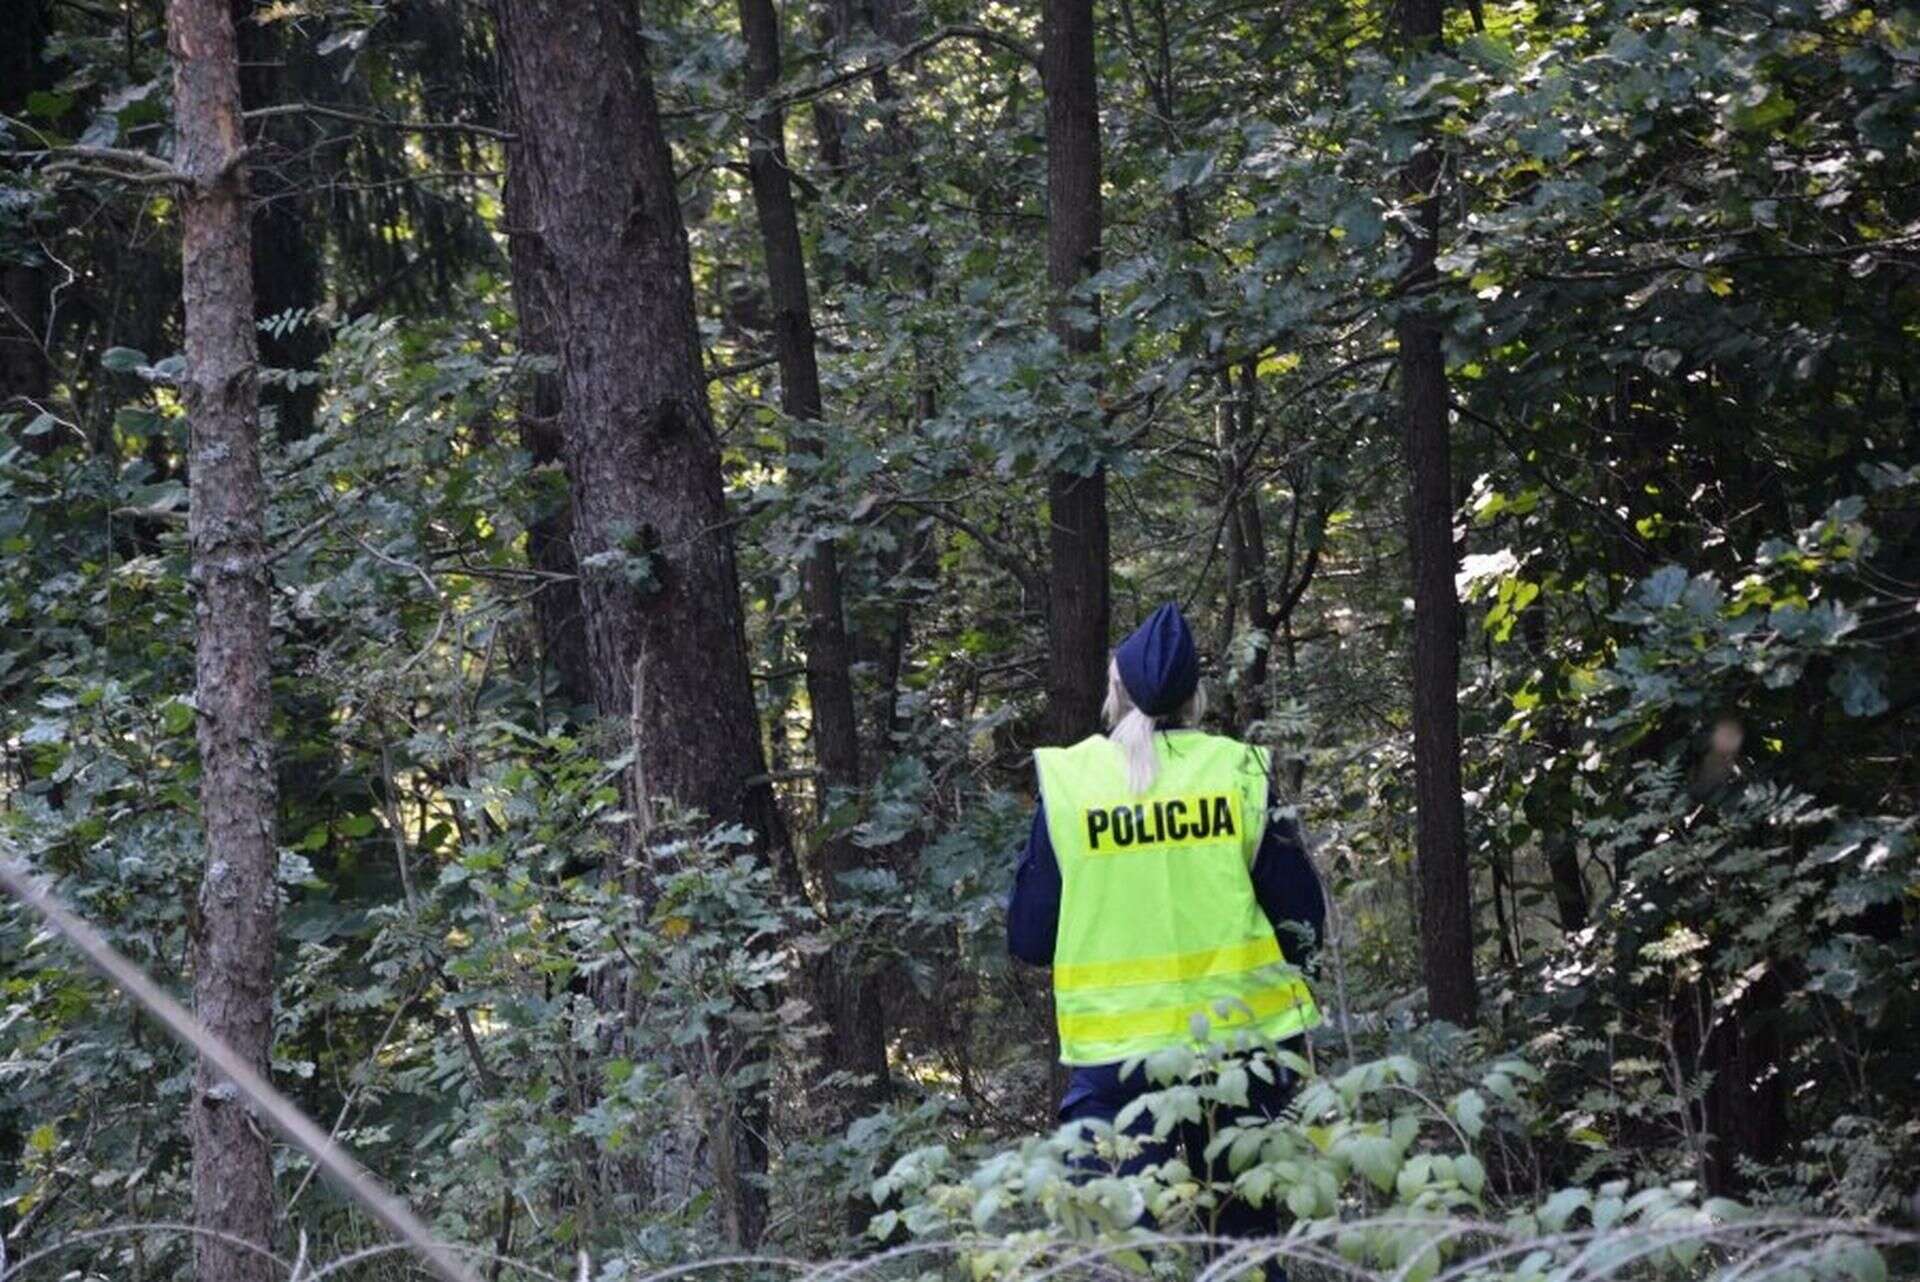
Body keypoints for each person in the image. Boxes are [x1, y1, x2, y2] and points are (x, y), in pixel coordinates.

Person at [1007, 602, 1326, 1268]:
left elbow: (1032, 937)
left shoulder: (1072, 783)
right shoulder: (1239, 771)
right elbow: (1303, 924)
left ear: (1114, 693)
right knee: (1246, 1246)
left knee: (1131, 1252)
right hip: (1243, 1046)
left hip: (1117, 1058)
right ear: (1195, 698)